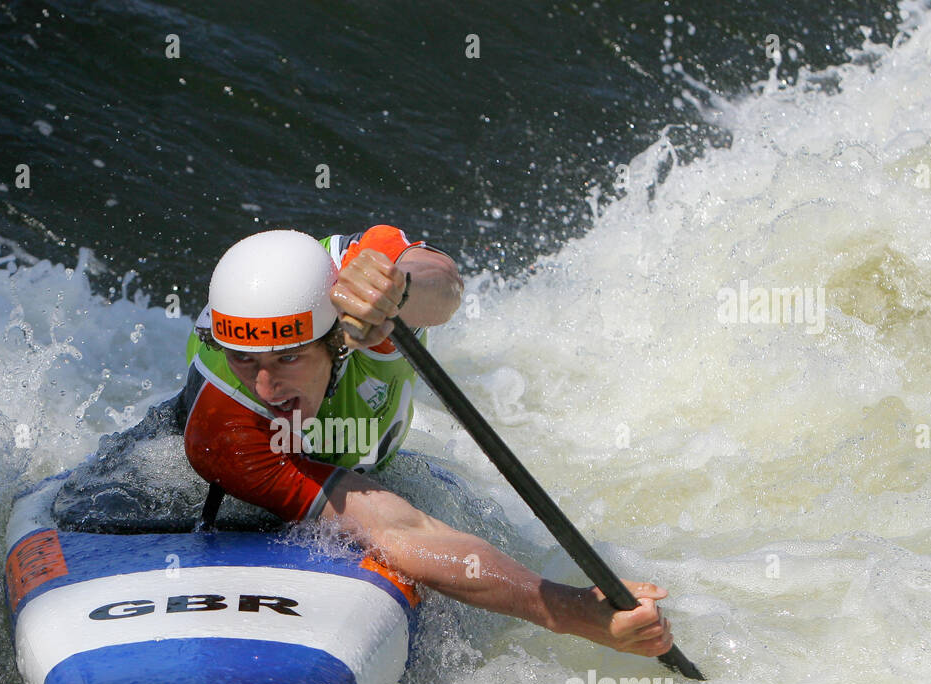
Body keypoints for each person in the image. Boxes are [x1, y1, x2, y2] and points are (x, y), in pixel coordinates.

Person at [179, 226, 674, 659]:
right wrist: (576, 613)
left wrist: (399, 288)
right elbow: (402, 531)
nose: (266, 389)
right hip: (226, 485)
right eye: (246, 362)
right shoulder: (223, 434)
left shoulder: (361, 301)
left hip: (357, 453)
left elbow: (445, 287)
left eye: (289, 359)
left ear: (337, 339)